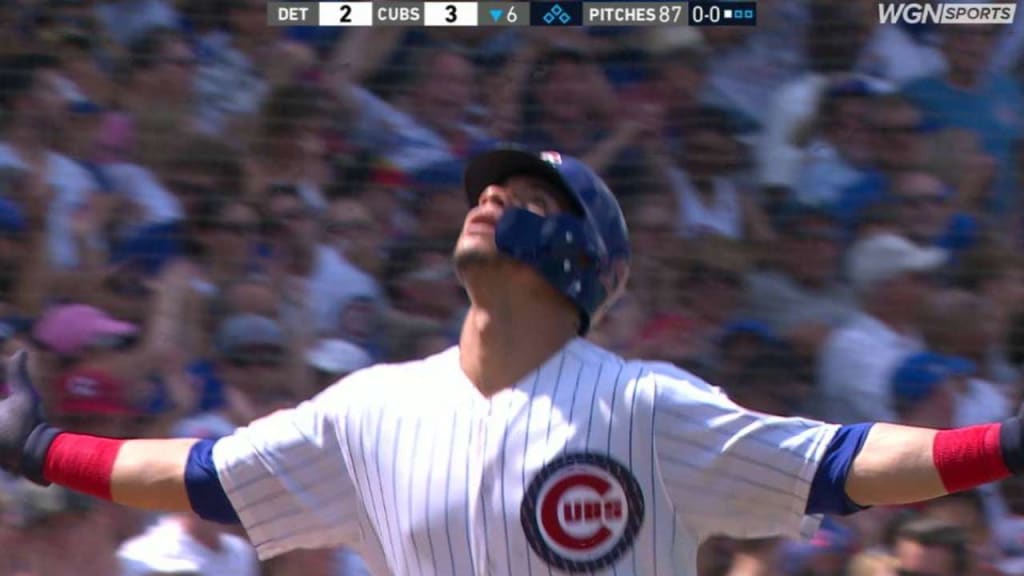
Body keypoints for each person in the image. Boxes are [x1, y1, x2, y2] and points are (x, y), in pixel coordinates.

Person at [0, 148, 1023, 575]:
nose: (487, 199)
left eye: (527, 198)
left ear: (586, 259)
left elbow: (839, 465)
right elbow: (203, 479)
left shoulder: (646, 405)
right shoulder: (369, 406)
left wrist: (1002, 447)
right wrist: (41, 448)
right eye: (485, 191)